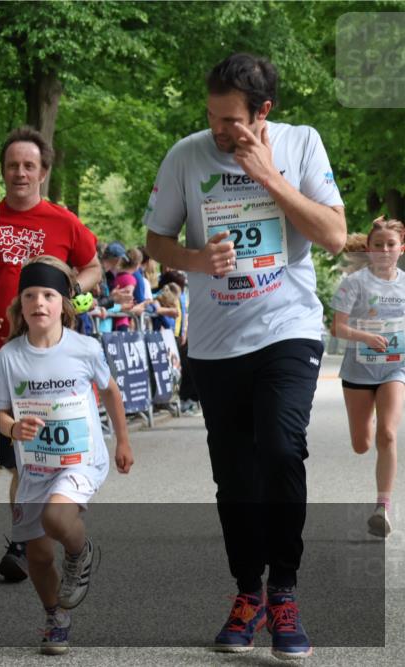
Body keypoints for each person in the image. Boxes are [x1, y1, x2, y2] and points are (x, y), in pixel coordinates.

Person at [143, 53, 346, 659]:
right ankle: (246, 592)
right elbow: (156, 241)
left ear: (264, 113)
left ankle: (283, 590)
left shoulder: (301, 144)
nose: (219, 131)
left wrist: (270, 177)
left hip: (288, 327)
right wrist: (196, 261)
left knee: (282, 448)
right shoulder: (186, 155)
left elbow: (334, 235)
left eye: (232, 120)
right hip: (216, 339)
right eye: (211, 117)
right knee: (234, 478)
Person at [0, 125, 102, 583]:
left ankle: (40, 530)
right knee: (19, 452)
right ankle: (32, 531)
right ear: (3, 170)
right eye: (13, 165)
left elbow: (91, 266)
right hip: (2, 352)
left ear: (43, 171)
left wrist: (75, 290)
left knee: (44, 449)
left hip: (53, 353)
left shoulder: (63, 220)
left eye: (29, 165)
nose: (20, 173)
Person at [0, 256, 133, 654]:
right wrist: (14, 428)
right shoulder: (9, 357)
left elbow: (110, 392)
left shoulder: (84, 348)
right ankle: (55, 617)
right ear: (20, 304)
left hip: (81, 458)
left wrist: (122, 440)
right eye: (30, 295)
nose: (39, 302)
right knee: (35, 555)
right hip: (34, 465)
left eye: (48, 295)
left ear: (63, 304)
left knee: (56, 519)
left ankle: (79, 552)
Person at [330, 216, 405, 537]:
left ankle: (382, 508)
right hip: (359, 370)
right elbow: (338, 327)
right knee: (362, 444)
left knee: (388, 434)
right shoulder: (354, 283)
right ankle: (368, 423)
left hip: (394, 367)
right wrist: (365, 337)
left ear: (401, 248)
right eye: (378, 245)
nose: (385, 250)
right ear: (369, 249)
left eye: (391, 245)